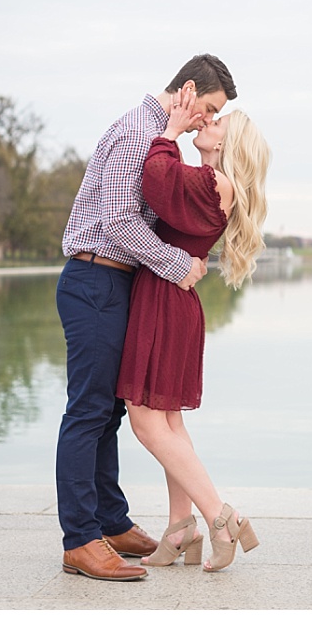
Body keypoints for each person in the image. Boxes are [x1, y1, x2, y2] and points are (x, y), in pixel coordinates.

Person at [54, 54, 234, 582]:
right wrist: (179, 265)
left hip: (117, 282)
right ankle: (80, 540)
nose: (207, 119)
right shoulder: (138, 133)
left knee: (109, 412)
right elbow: (115, 222)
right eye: (209, 108)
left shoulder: (160, 135)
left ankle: (111, 522)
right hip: (95, 279)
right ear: (188, 90)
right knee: (88, 412)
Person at [117, 92, 270, 572]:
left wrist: (169, 129)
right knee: (171, 424)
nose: (208, 120)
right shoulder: (210, 181)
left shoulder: (213, 182)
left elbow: (156, 179)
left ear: (230, 141)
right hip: (173, 299)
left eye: (218, 119)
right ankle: (181, 526)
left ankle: (220, 516)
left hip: (164, 301)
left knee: (144, 420)